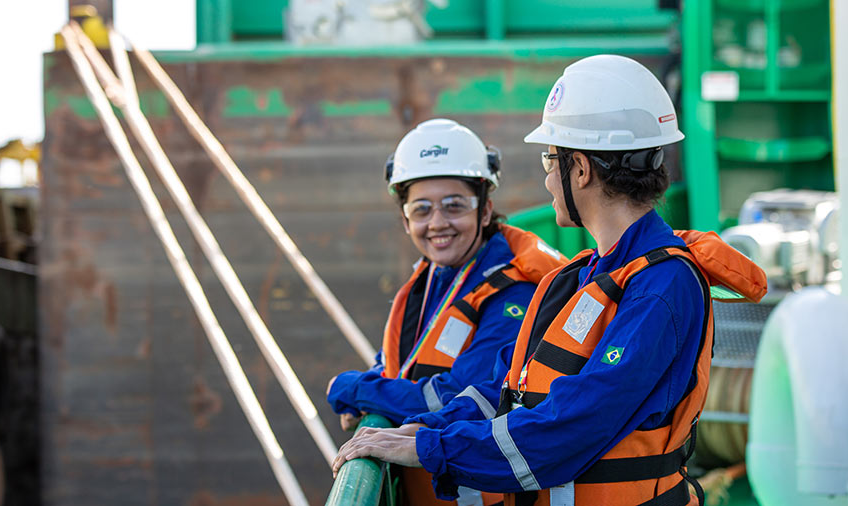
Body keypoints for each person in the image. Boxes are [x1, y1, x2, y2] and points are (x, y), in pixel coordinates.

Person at [332, 56, 768, 506]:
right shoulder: (580, 276)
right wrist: (427, 427)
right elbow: (507, 386)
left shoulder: (662, 286)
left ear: (579, 168)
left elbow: (578, 422)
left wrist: (433, 448)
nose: (546, 179)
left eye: (549, 160)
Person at [327, 118, 567, 506]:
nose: (437, 223)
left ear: (485, 210)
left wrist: (355, 389)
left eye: (454, 206)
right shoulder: (434, 280)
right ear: (405, 219)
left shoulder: (514, 294)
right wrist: (374, 384)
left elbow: (455, 396)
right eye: (421, 209)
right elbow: (404, 361)